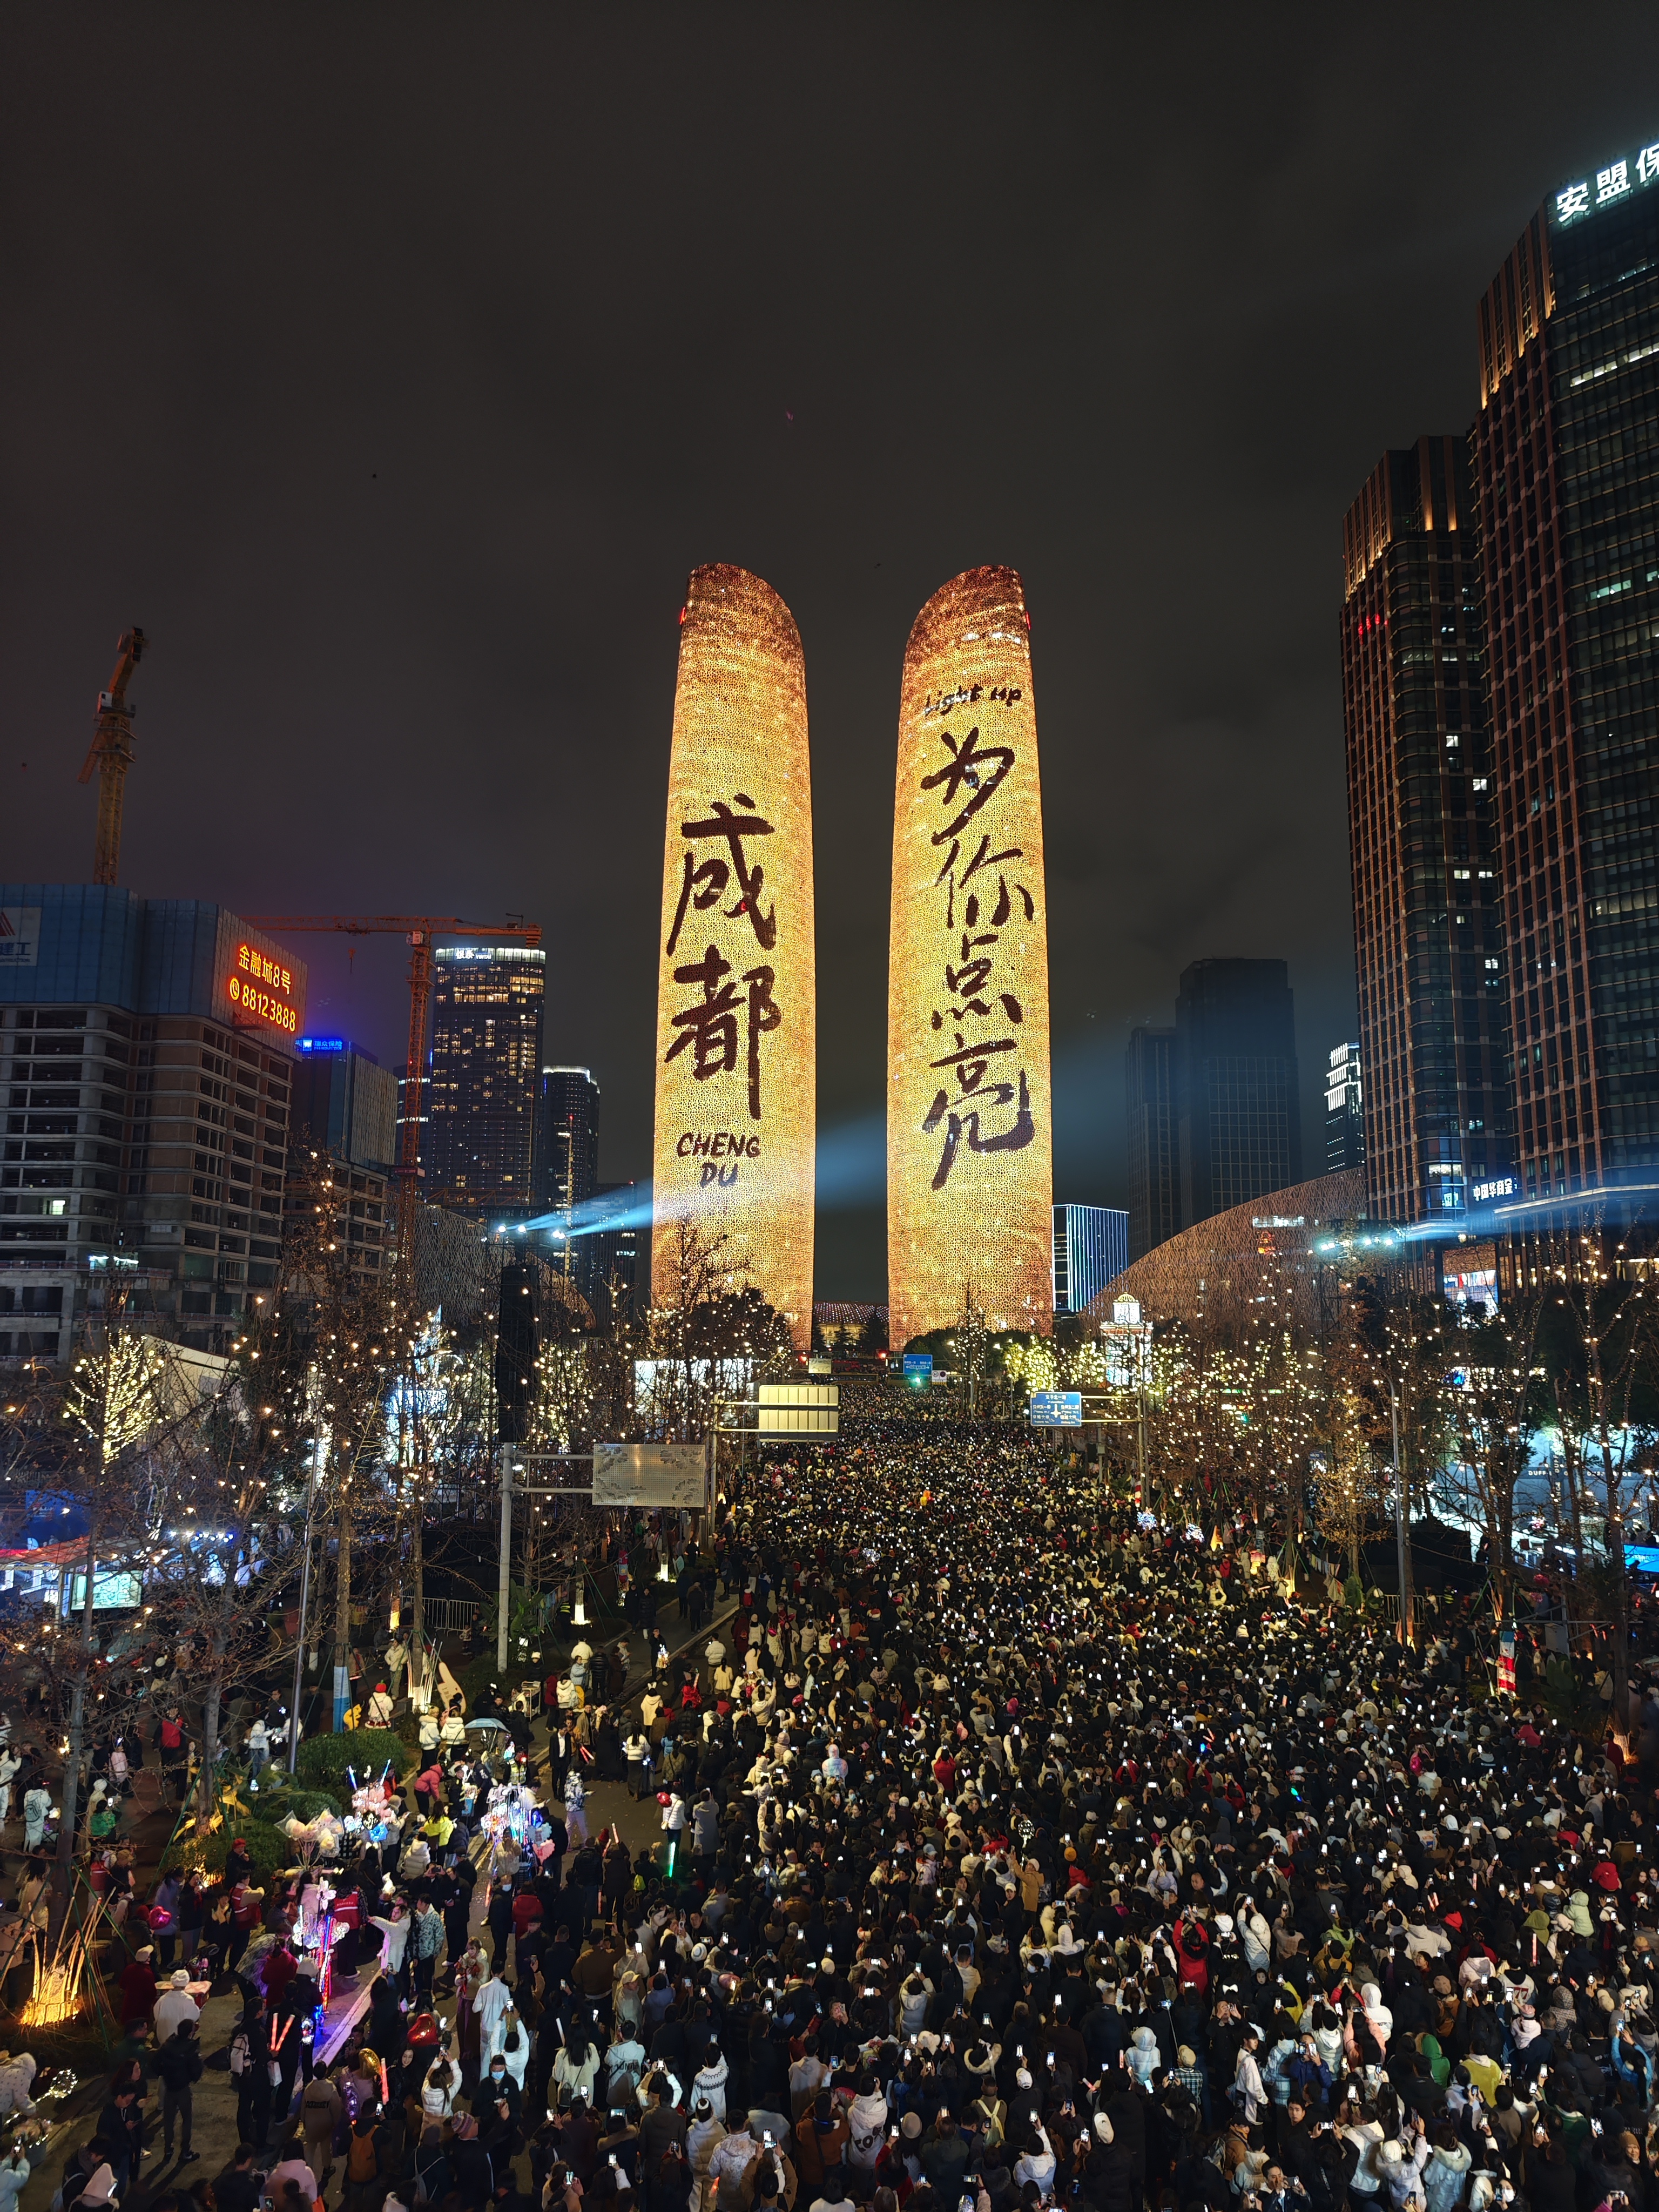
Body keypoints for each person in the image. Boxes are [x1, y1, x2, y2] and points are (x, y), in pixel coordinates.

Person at [156, 2018, 204, 2163]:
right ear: (190, 2033)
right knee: (187, 2120)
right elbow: (196, 2071)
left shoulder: (167, 2045)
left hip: (169, 2088)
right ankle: (185, 2152)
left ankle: (168, 2148)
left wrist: (165, 2073)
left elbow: (155, 2063)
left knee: (168, 2120)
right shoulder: (190, 2048)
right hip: (183, 2089)